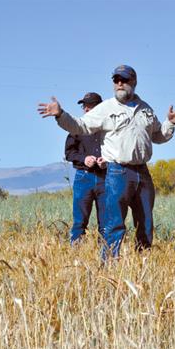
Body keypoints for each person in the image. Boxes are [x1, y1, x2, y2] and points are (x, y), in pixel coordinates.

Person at [38, 64, 175, 260]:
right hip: (117, 172)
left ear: (134, 82)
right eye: (116, 80)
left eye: (124, 80)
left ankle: (144, 264)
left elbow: (157, 136)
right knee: (114, 223)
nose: (120, 84)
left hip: (143, 172)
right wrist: (60, 115)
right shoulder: (105, 108)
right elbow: (80, 125)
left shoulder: (146, 109)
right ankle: (108, 267)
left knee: (146, 223)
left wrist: (170, 124)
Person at [64, 92, 106, 244]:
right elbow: (69, 153)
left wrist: (106, 161)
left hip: (106, 178)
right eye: (84, 106)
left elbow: (118, 150)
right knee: (79, 222)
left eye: (90, 106)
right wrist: (84, 159)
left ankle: (106, 256)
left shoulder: (108, 128)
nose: (86, 109)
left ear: (100, 107)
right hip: (83, 177)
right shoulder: (77, 127)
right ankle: (76, 256)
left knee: (106, 224)